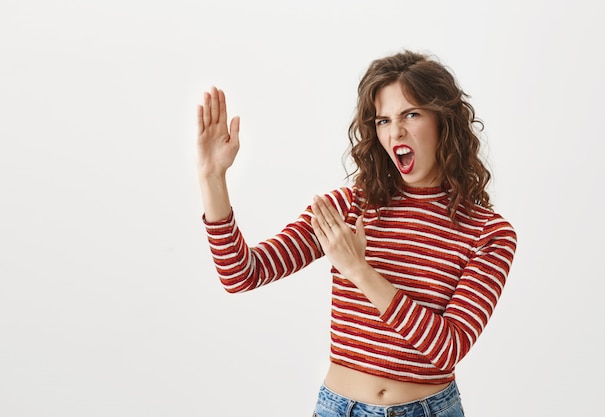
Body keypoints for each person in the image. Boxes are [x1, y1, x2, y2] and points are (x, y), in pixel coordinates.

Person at [196, 50, 517, 417]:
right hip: (337, 408)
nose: (395, 131)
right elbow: (241, 274)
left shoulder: (489, 234)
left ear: (444, 121)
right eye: (383, 120)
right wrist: (212, 177)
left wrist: (359, 271)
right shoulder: (349, 208)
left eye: (411, 114)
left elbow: (447, 348)